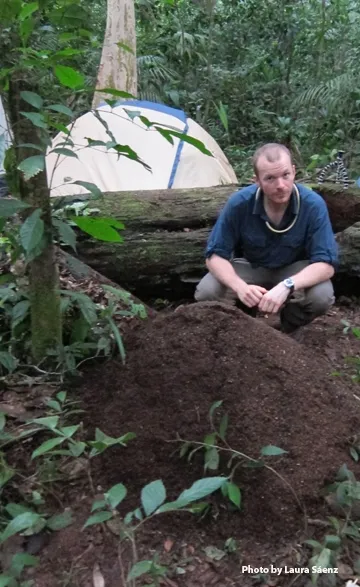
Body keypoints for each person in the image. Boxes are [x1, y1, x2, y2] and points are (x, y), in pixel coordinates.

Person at [194, 143, 338, 333]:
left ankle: (289, 325)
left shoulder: (312, 205)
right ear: (257, 181)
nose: (280, 185)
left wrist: (288, 285)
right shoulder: (239, 204)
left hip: (292, 270)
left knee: (322, 296)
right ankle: (241, 325)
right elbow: (214, 256)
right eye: (270, 178)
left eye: (285, 175)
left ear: (294, 172)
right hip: (250, 267)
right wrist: (240, 287)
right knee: (206, 291)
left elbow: (326, 264)